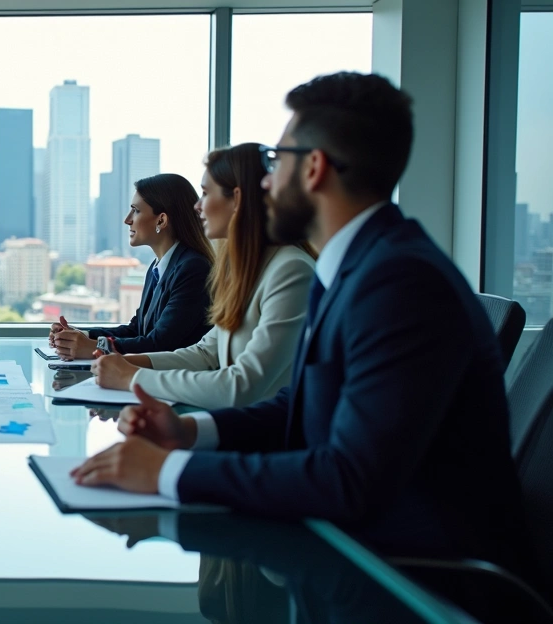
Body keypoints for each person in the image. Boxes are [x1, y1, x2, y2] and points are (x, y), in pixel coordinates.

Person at [71, 73, 530, 579]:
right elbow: (303, 405)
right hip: (352, 552)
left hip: (413, 580)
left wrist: (169, 471)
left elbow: (347, 478)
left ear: (314, 168)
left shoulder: (400, 284)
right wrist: (189, 430)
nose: (266, 183)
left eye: (277, 161)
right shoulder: (359, 266)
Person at [91, 143, 317, 408]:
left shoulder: (291, 271)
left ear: (237, 200)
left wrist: (132, 377)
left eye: (206, 193)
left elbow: (242, 386)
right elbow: (205, 354)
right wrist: (125, 362)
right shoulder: (244, 271)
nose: (197, 207)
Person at [51, 174, 214, 359]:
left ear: (161, 220)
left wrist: (95, 347)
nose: (127, 220)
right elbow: (136, 330)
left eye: (136, 211)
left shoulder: (193, 269)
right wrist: (81, 336)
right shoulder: (157, 268)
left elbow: (160, 344)